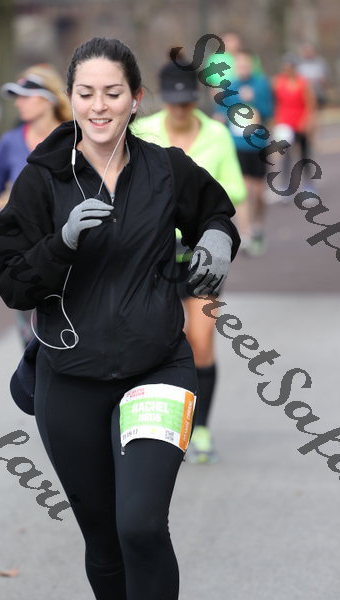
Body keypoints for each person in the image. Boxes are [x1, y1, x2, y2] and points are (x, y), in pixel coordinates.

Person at [0, 37, 240, 600]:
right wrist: (61, 243)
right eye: (86, 93)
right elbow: (10, 281)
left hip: (158, 368)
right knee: (103, 541)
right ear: (71, 98)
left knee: (140, 527)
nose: (99, 106)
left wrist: (218, 240)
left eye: (112, 93)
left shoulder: (166, 169)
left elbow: (216, 213)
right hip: (69, 378)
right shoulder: (42, 180)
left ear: (136, 99)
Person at [131, 60, 246, 463]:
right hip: (155, 256)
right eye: (173, 101)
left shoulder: (216, 134)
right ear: (163, 99)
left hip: (201, 255)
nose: (180, 109)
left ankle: (200, 428)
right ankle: (156, 424)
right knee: (156, 340)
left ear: (195, 98)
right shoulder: (144, 132)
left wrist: (201, 208)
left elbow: (233, 189)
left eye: (186, 101)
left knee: (200, 341)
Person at [0, 64, 72, 346]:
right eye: (16, 97)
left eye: (25, 96)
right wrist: (5, 206)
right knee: (33, 339)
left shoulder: (74, 136)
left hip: (72, 246)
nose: (18, 103)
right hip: (27, 252)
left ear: (47, 99)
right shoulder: (10, 142)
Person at [215, 49, 274, 255]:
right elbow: (221, 112)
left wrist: (254, 101)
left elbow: (268, 111)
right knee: (243, 189)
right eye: (239, 65)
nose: (242, 68)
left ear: (251, 65)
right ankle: (245, 233)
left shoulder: (261, 84)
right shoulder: (229, 86)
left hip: (257, 144)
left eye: (245, 65)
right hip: (236, 144)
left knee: (258, 192)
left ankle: (257, 225)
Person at [272, 52, 317, 196]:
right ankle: (285, 184)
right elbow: (275, 102)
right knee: (285, 155)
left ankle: (308, 184)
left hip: (300, 122)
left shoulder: (303, 83)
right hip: (285, 123)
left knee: (304, 153)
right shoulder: (278, 82)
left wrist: (308, 121)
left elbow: (311, 104)